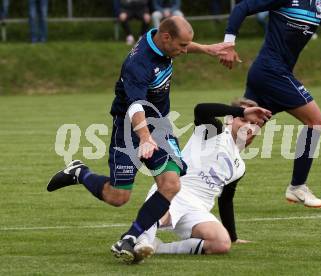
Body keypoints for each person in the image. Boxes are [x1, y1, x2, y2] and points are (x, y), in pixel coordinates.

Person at [47, 16, 238, 264]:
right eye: (182, 46)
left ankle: (130, 238)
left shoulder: (159, 37)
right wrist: (145, 138)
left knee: (171, 184)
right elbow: (135, 106)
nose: (184, 50)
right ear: (167, 38)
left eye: (186, 45)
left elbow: (182, 44)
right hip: (129, 128)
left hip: (159, 126)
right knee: (118, 197)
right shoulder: (138, 64)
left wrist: (206, 49)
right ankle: (79, 172)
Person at [219, 0, 321, 208]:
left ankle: (200, 176)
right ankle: (297, 187)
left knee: (243, 137)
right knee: (316, 122)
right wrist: (228, 43)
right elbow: (242, 7)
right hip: (272, 72)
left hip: (270, 74)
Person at [131, 99, 270, 262]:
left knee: (221, 244)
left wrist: (233, 237)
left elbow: (225, 201)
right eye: (243, 120)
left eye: (253, 123)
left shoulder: (240, 167)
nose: (248, 126)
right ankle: (136, 242)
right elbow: (202, 109)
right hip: (174, 192)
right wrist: (242, 111)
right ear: (230, 119)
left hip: (198, 209)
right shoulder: (214, 132)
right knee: (162, 215)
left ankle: (158, 247)